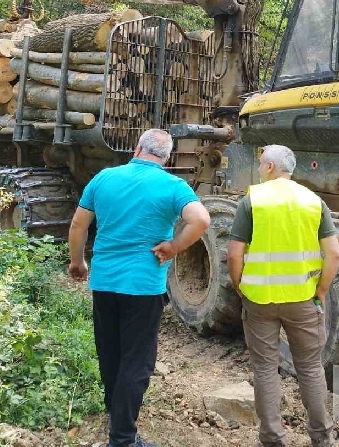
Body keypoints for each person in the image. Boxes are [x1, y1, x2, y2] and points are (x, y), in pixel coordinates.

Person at [67, 129, 211, 447]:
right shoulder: (173, 186)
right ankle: (121, 437)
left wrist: (77, 262)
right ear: (166, 158)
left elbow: (79, 224)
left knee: (111, 352)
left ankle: (116, 416)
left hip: (104, 282)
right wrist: (173, 247)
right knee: (138, 360)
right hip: (144, 287)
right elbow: (201, 220)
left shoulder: (104, 178)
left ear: (136, 148)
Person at [227, 145, 339, 447]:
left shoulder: (253, 201)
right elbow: (334, 253)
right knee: (310, 368)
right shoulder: (313, 201)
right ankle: (322, 439)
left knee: (265, 369)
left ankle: (272, 440)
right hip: (303, 300)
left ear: (268, 168)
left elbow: (235, 254)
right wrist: (321, 290)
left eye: (261, 164)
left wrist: (240, 286)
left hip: (259, 302)